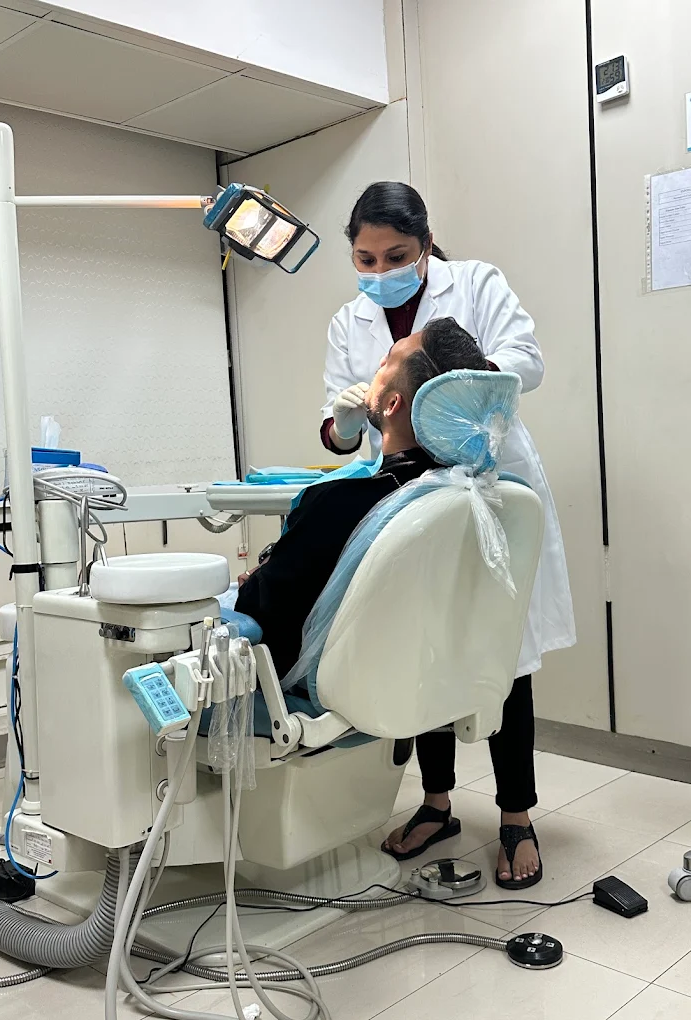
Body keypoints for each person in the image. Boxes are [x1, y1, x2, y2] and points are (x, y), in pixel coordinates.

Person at [320, 181, 576, 889]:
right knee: (424, 645)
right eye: (365, 259)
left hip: (486, 484)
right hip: (408, 491)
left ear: (426, 244)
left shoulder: (476, 284)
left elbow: (526, 360)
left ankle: (516, 814)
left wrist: (447, 385)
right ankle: (436, 805)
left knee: (502, 651)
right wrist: (346, 420)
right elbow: (338, 427)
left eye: (396, 256)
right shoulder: (348, 321)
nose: (379, 272)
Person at [235, 316, 487, 684]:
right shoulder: (463, 492)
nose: (378, 365)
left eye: (388, 360)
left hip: (319, 686)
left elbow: (264, 612)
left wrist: (254, 582)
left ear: (392, 404)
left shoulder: (338, 501)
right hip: (417, 680)